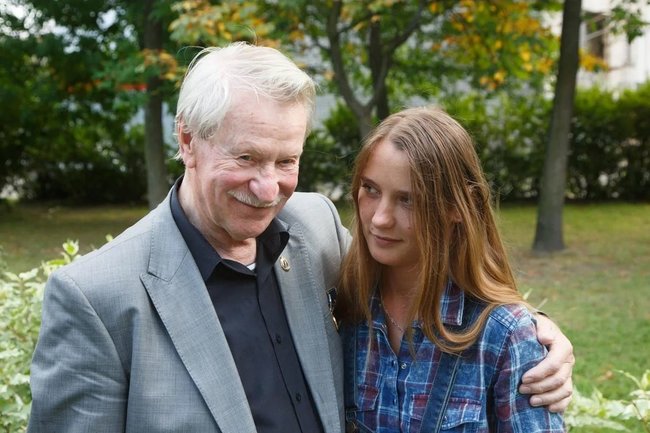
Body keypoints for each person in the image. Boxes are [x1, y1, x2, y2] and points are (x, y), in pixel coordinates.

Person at [27, 43, 571, 433]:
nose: (268, 189)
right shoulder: (98, 298)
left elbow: (419, 281)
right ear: (188, 141)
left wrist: (531, 331)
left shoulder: (312, 225)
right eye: (246, 158)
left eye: (286, 161)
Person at [337, 106, 567, 432]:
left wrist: (530, 330)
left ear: (456, 208)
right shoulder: (345, 304)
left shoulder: (504, 336)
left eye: (408, 200)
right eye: (371, 189)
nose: (380, 218)